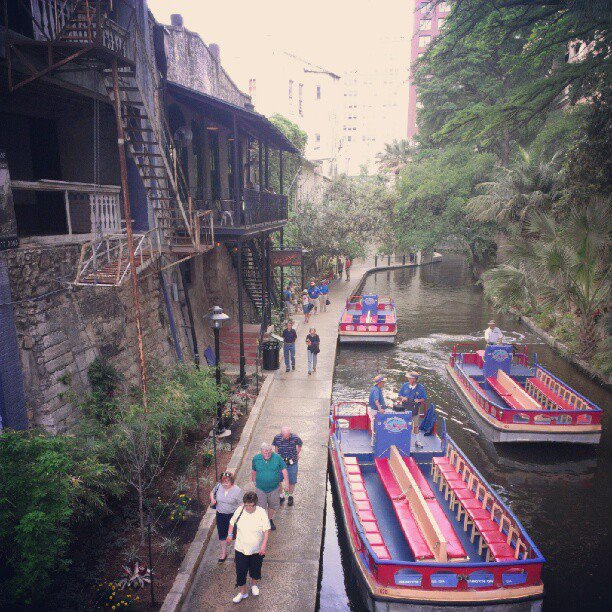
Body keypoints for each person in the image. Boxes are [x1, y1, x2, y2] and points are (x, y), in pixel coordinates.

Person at [228, 491, 270, 603]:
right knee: (240, 571)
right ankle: (243, 592)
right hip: (241, 548)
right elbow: (232, 522)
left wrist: (264, 546)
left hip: (257, 549)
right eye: (246, 505)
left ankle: (254, 585)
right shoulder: (240, 510)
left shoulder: (261, 512)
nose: (248, 508)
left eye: (251, 505)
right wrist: (229, 535)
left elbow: (266, 530)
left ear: (255, 504)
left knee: (255, 568)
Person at [251, 443, 288, 531]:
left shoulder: (277, 458)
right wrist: (254, 481)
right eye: (265, 453)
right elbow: (253, 470)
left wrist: (286, 484)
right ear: (261, 452)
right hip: (260, 488)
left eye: (269, 452)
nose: (267, 454)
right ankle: (263, 521)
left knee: (272, 506)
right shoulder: (256, 458)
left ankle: (269, 520)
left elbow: (284, 470)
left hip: (274, 488)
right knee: (261, 507)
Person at [210, 472, 242, 563]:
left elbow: (241, 504)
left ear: (232, 481)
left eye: (227, 481)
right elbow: (212, 493)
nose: (225, 483)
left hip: (233, 516)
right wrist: (213, 499)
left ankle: (238, 554)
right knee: (222, 535)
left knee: (235, 535)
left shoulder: (237, 490)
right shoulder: (218, 486)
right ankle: (223, 553)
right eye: (223, 481)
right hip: (220, 515)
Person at [272, 427, 303, 506]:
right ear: (281, 434)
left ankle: (290, 496)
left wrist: (297, 453)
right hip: (281, 462)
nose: (287, 438)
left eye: (288, 436)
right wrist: (277, 457)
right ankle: (281, 495)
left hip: (292, 463)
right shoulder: (277, 438)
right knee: (278, 479)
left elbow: (300, 445)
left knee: (292, 480)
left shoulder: (295, 438)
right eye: (285, 436)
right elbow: (276, 448)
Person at [397, 371, 428, 442]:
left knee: (416, 425)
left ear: (414, 379)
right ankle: (404, 439)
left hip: (415, 409)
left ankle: (417, 440)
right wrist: (403, 398)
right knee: (405, 424)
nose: (408, 379)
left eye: (410, 378)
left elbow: (424, 398)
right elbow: (399, 394)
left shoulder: (420, 388)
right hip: (405, 408)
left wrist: (419, 400)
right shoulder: (405, 385)